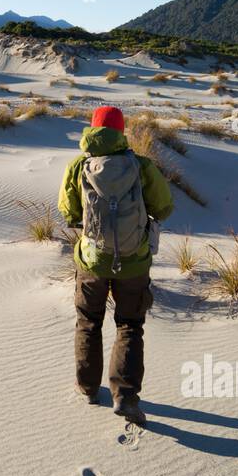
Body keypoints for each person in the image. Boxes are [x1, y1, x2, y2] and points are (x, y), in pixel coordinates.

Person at [57, 105, 173, 425]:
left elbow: (67, 212)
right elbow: (163, 207)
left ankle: (88, 387)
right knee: (130, 325)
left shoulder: (78, 166)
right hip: (134, 262)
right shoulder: (141, 166)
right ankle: (125, 394)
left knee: (88, 321)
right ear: (121, 132)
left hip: (92, 261)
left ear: (92, 131)